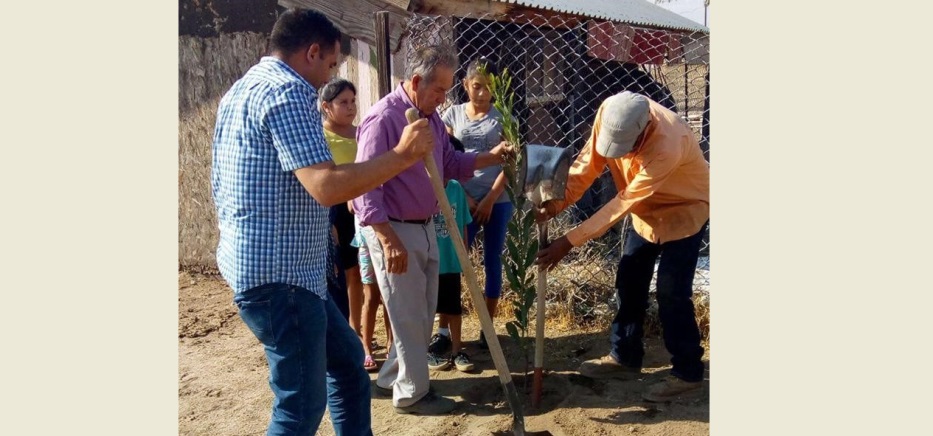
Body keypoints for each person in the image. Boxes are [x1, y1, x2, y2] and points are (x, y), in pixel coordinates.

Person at [211, 8, 435, 435]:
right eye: (331, 64)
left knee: (350, 366)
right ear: (312, 52)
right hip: (282, 280)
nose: (328, 77)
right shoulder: (288, 92)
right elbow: (326, 186)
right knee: (299, 407)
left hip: (282, 273)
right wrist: (403, 156)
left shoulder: (242, 89)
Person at [352, 45, 512, 415]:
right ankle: (413, 395)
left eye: (446, 90)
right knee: (408, 316)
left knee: (422, 313)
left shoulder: (431, 118)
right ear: (417, 81)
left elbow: (450, 162)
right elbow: (365, 188)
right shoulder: (384, 120)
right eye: (440, 89)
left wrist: (493, 156)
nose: (444, 98)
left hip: (426, 226)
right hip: (395, 230)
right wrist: (388, 240)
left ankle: (392, 377)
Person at [534, 91, 709, 403]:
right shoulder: (611, 111)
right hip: (646, 215)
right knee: (629, 282)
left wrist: (568, 242)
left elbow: (622, 203)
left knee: (671, 290)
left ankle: (687, 373)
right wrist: (559, 202)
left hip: (685, 210)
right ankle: (625, 357)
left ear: (642, 134)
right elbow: (588, 164)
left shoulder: (669, 141)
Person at [440, 57, 511, 351]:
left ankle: (487, 326)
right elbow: (443, 159)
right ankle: (444, 330)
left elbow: (511, 162)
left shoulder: (504, 117)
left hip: (498, 199)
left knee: (493, 261)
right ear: (466, 85)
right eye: (477, 86)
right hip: (460, 198)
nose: (482, 93)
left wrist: (491, 199)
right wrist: (466, 198)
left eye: (489, 87)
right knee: (453, 261)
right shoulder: (450, 116)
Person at [320, 78, 367, 345]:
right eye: (343, 102)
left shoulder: (361, 133)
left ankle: (357, 331)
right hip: (335, 210)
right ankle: (345, 332)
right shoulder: (321, 136)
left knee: (358, 272)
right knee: (341, 270)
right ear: (327, 107)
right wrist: (330, 223)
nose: (350, 108)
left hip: (361, 206)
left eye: (353, 102)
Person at [427, 137, 474, 372]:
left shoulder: (456, 189)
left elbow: (464, 224)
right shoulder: (425, 188)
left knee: (454, 307)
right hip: (430, 263)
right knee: (428, 309)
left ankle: (457, 351)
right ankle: (427, 351)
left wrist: (465, 258)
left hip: (451, 262)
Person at [351, 217, 393, 372]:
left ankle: (391, 345)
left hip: (389, 240)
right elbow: (351, 207)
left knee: (389, 296)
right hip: (366, 241)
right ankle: (367, 348)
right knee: (371, 297)